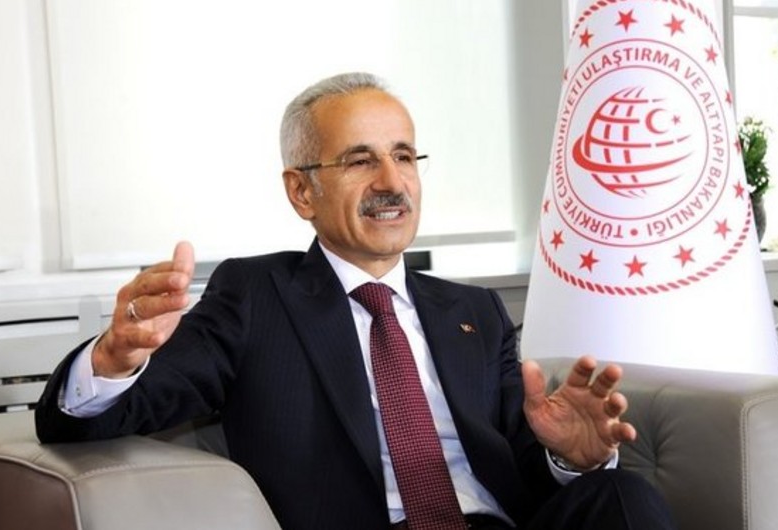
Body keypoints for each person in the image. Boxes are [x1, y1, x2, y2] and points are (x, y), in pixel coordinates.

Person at [35, 72, 675, 530]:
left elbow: (523, 472)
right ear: (302, 192)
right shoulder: (255, 296)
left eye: (404, 156)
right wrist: (113, 359)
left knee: (621, 495)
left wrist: (569, 460)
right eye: (361, 161)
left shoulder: (473, 311)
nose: (392, 182)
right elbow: (100, 417)